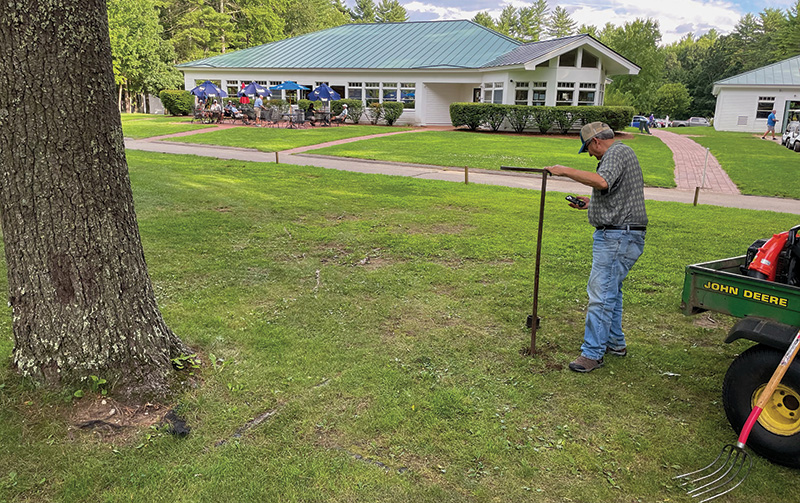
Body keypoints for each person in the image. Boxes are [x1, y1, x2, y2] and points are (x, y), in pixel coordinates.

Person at [545, 122, 648, 373]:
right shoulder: (622, 154)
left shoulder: (617, 153)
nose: (590, 154)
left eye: (588, 149)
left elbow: (602, 182)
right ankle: (615, 343)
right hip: (623, 235)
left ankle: (592, 354)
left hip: (617, 237)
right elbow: (614, 194)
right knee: (612, 291)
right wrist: (591, 205)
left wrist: (564, 170)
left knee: (600, 295)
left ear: (595, 142)